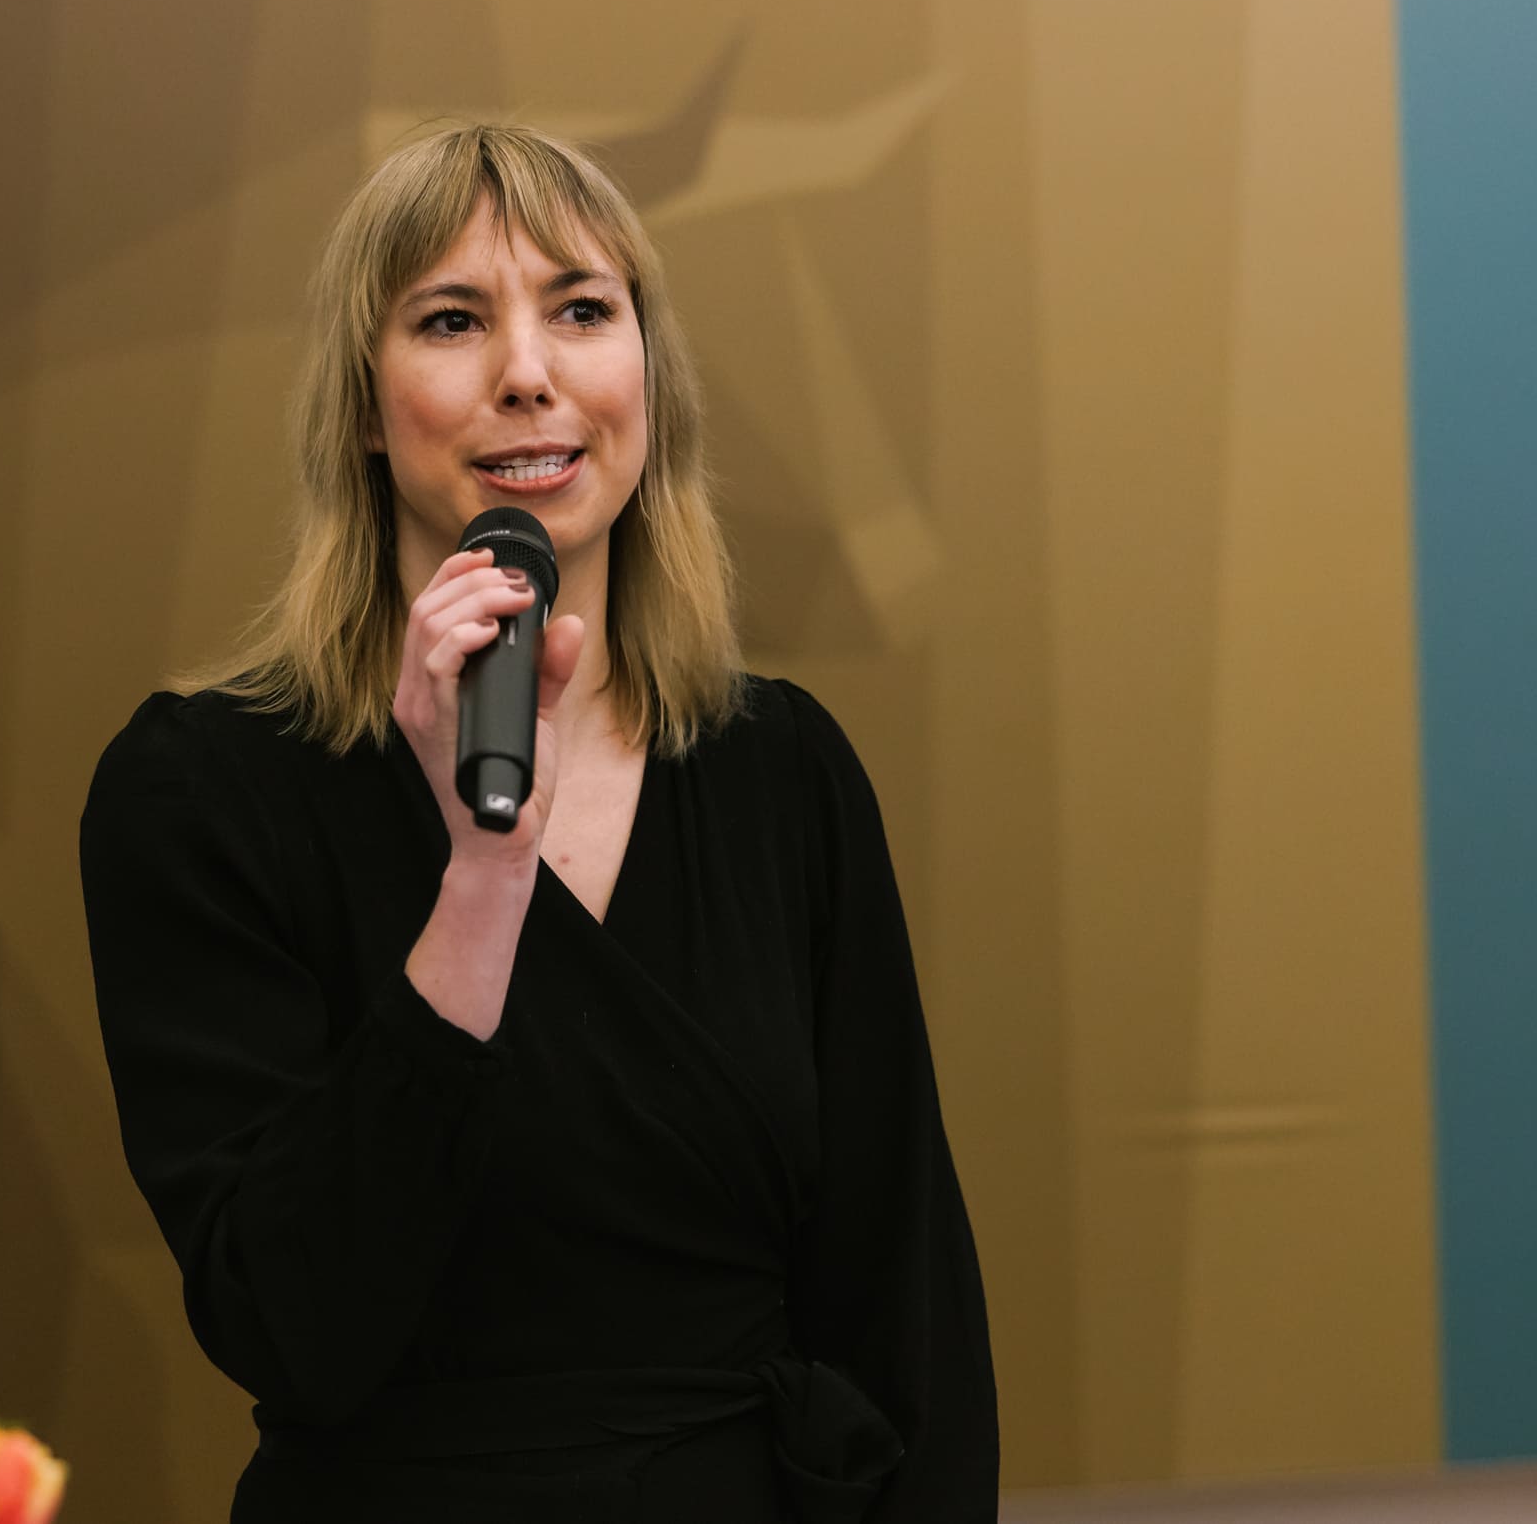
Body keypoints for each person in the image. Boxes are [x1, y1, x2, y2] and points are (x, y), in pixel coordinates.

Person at [78, 122, 998, 1522]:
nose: (528, 372)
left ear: (648, 382)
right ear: (363, 407)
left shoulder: (782, 770)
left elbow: (904, 1297)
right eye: (452, 320)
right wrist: (481, 879)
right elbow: (293, 1325)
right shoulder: (201, 793)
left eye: (581, 311)